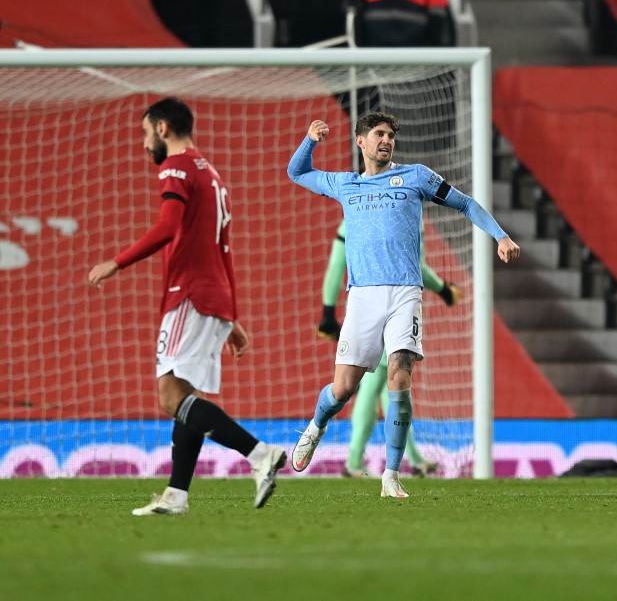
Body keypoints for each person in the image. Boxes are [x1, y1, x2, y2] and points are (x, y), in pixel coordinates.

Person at [287, 111, 520, 498]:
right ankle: (315, 427)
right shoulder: (345, 184)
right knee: (344, 388)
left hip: (404, 293)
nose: (387, 140)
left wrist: (500, 236)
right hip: (362, 296)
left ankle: (391, 476)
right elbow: (297, 172)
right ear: (361, 142)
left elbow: (466, 204)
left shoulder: (416, 177)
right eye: (378, 134)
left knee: (400, 375)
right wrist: (310, 140)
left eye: (391, 135)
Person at [87, 97, 286, 516]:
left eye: (144, 134)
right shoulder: (211, 174)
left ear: (162, 129)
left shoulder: (176, 167)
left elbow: (167, 226)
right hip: (211, 294)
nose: (143, 145)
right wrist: (229, 313)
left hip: (189, 293)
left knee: (169, 396)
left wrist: (116, 263)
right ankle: (177, 495)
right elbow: (222, 248)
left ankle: (259, 454)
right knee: (187, 396)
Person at [317, 218, 462, 478]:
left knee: (380, 387)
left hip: (362, 307)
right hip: (393, 308)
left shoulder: (353, 212)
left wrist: (328, 311)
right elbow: (415, 266)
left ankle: (407, 459)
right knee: (380, 386)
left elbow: (337, 263)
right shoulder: (406, 213)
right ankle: (355, 460)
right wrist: (443, 289)